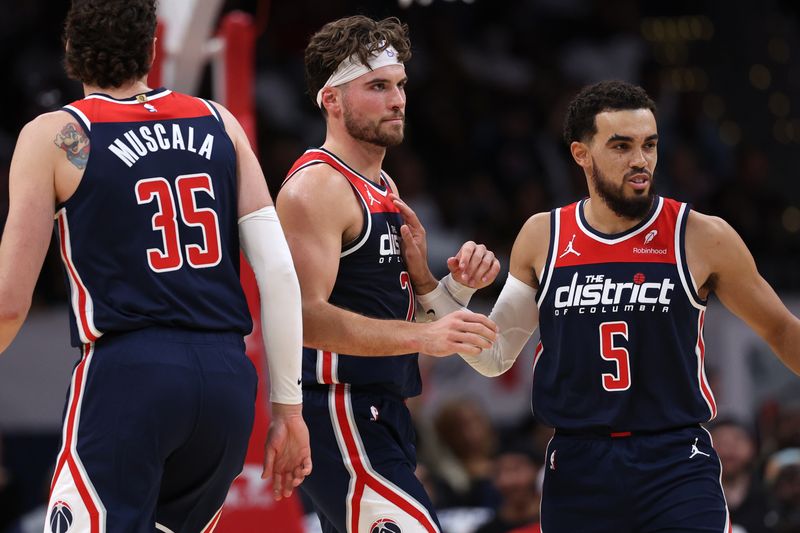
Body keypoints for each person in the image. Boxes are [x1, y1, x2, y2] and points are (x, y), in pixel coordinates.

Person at [0, 0, 311, 530]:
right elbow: (280, 276)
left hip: (130, 374)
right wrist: (289, 408)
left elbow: (8, 302)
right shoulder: (220, 123)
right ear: (151, 48)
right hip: (226, 385)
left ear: (71, 52)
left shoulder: (55, 135)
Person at [452, 80, 800, 532]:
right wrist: (448, 295)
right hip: (579, 465)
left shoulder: (701, 235)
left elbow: (781, 329)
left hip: (676, 460)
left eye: (649, 145)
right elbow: (495, 358)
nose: (640, 160)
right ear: (582, 154)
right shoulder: (543, 235)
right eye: (621, 146)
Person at [276, 15, 500, 533]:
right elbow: (305, 318)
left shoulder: (381, 184)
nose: (397, 100)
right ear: (331, 100)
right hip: (338, 409)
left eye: (399, 85)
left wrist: (444, 284)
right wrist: (427, 334)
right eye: (377, 87)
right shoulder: (319, 188)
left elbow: (387, 308)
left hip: (384, 407)